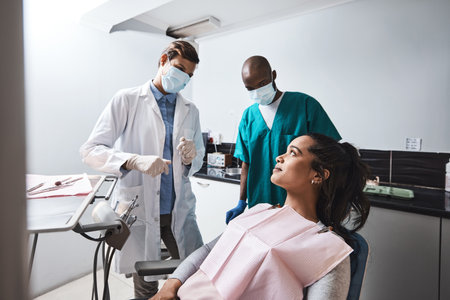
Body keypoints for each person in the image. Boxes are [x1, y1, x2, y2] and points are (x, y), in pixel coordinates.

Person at [150, 133, 371, 300]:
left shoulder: (328, 247)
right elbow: (208, 251)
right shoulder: (260, 211)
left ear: (318, 175)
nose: (279, 157)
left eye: (293, 153)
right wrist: (170, 286)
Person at [80, 40, 205, 298]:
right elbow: (91, 150)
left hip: (178, 210)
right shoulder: (127, 99)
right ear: (163, 61)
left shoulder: (191, 111)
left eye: (189, 75)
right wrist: (133, 160)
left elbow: (199, 157)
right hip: (141, 208)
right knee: (145, 282)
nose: (183, 78)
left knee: (195, 273)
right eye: (179, 69)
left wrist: (193, 156)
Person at [226, 56, 342, 224]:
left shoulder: (305, 105)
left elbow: (331, 155)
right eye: (250, 88)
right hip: (260, 205)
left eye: (262, 83)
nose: (257, 91)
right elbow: (246, 164)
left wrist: (329, 201)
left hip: (301, 207)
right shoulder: (248, 116)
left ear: (273, 75)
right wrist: (241, 202)